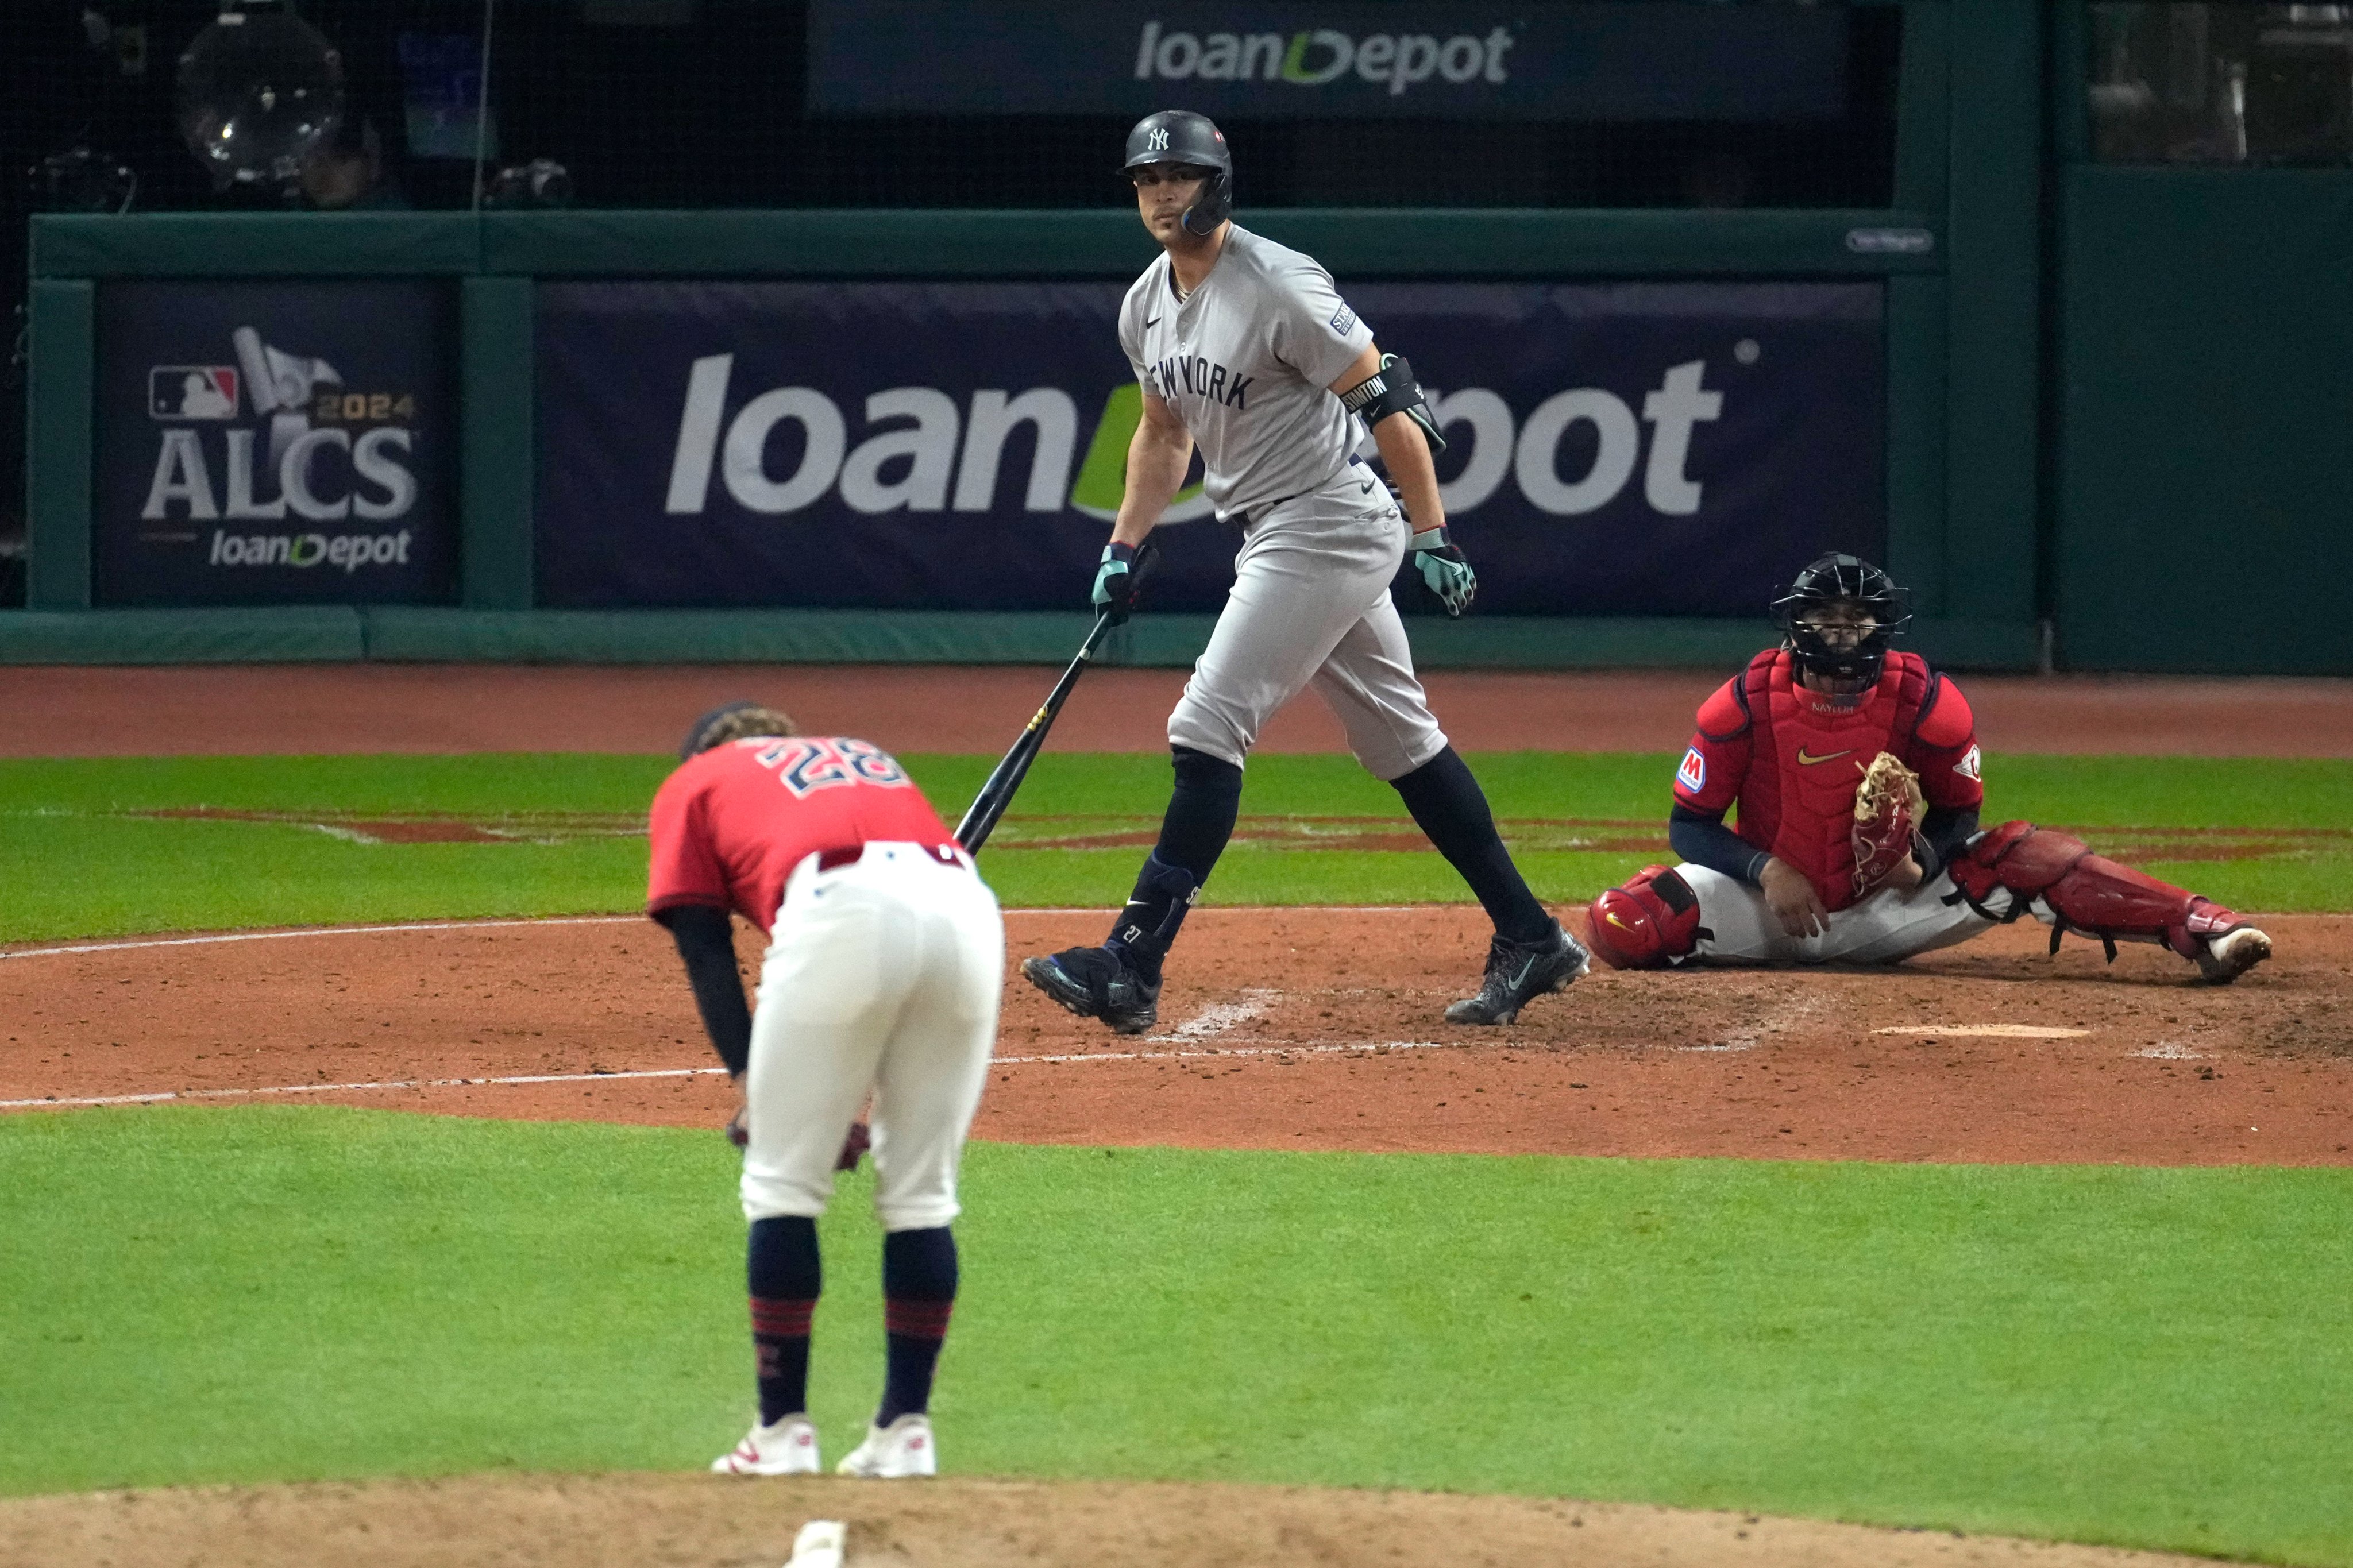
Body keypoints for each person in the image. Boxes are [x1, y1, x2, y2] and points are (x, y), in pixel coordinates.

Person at [1021, 109, 1585, 1034]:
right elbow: (1163, 433)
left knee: (1205, 723)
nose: (1163, 194)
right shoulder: (1145, 303)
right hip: (1274, 527)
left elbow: (1386, 397)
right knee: (1402, 742)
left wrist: (1432, 530)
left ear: (1218, 181)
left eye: (1181, 177)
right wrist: (1122, 545)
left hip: (1328, 519)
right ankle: (1530, 933)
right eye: (1147, 181)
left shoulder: (1279, 282)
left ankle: (1131, 964)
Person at [1582, 553, 2273, 981]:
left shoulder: (1925, 702)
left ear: (1882, 627)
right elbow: (1689, 825)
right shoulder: (1741, 704)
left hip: (1888, 905)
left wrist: (1921, 859)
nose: (1843, 633)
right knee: (1621, 921)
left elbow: (1958, 812)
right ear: (1798, 626)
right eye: (1827, 618)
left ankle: (2201, 928)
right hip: (1770, 907)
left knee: (2021, 853)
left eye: (1858, 619)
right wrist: (1769, 872)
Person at [647, 701, 1004, 1479]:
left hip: (838, 907)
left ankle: (780, 1435)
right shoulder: (860, 749)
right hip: (969, 911)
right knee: (922, 1196)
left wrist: (757, 1086)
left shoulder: (695, 780)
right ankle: (904, 1432)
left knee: (782, 1184)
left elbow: (706, 947)